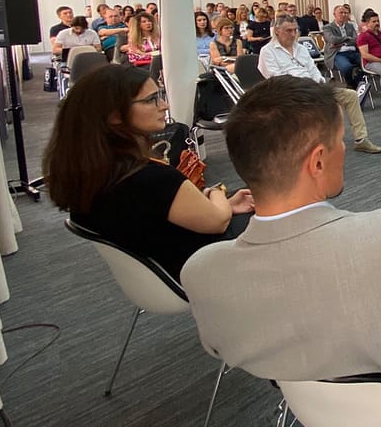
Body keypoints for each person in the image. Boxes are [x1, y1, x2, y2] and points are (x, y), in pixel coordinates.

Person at [180, 77, 381, 427]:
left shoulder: (202, 273)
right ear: (318, 162)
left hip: (306, 407)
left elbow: (220, 345)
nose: (345, 149)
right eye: (340, 140)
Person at [42, 65, 254, 282]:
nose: (164, 105)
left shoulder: (91, 173)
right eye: (151, 99)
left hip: (162, 265)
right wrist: (216, 192)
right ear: (114, 115)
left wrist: (222, 206)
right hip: (201, 267)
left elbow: (156, 212)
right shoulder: (151, 178)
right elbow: (218, 222)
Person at [257, 16, 381, 153]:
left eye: (295, 30)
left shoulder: (300, 48)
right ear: (277, 31)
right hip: (291, 93)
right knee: (320, 107)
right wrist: (306, 86)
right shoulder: (267, 51)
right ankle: (313, 143)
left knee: (350, 95)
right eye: (289, 31)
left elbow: (313, 69)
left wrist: (320, 83)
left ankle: (361, 139)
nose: (293, 34)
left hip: (314, 88)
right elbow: (276, 78)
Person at [322, 5, 363, 88]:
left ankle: (355, 81)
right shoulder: (328, 27)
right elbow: (332, 40)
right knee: (347, 67)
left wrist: (342, 43)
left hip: (353, 52)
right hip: (338, 53)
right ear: (334, 14)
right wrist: (347, 38)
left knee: (368, 64)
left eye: (345, 13)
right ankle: (350, 84)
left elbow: (356, 40)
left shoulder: (350, 26)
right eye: (341, 13)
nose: (344, 15)